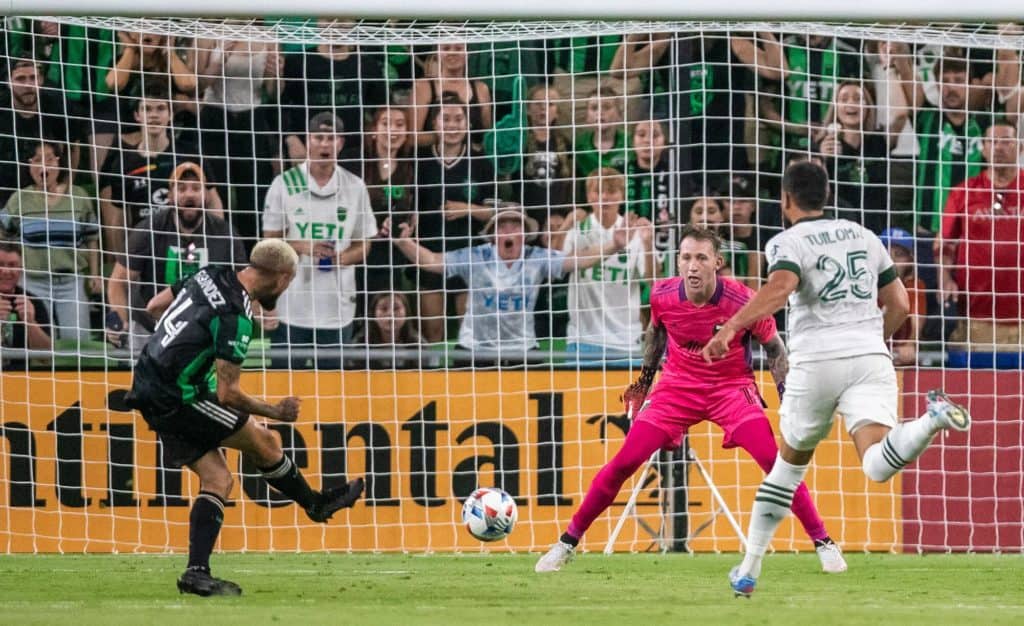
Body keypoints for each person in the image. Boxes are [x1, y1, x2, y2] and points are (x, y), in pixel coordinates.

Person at [703, 161, 971, 598]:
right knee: (877, 463)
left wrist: (731, 327)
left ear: (785, 200)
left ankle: (749, 570)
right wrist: (875, 339)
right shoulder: (863, 235)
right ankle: (931, 420)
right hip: (868, 356)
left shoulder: (786, 241)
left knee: (786, 470)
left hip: (816, 361)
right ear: (825, 196)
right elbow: (899, 302)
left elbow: (782, 284)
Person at [535, 225, 845, 574]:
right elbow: (655, 334)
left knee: (775, 462)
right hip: (677, 386)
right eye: (686, 258)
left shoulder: (743, 300)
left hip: (731, 388)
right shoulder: (663, 295)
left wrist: (788, 399)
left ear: (717, 263)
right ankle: (566, 542)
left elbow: (774, 348)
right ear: (678, 262)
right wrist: (644, 382)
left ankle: (823, 542)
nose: (693, 266)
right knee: (625, 461)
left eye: (701, 258)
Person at [123, 239, 365, 596]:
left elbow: (155, 306)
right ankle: (314, 504)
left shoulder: (209, 273)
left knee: (218, 479)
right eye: (289, 282)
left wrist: (182, 345)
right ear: (282, 278)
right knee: (265, 439)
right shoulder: (236, 316)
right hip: (176, 395)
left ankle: (196, 572)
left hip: (147, 380)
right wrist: (277, 411)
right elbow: (228, 394)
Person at [389, 209, 629, 360]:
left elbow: (578, 259)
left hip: (522, 350)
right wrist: (403, 243)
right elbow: (432, 261)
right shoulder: (477, 256)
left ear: (524, 234)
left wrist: (614, 246)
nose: (509, 231)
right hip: (474, 349)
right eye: (503, 226)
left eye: (515, 226)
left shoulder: (535, 257)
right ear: (493, 235)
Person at [262, 112, 377, 368]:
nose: (324, 144)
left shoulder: (354, 186)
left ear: (341, 142)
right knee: (285, 391)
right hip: (290, 308)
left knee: (333, 391)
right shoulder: (284, 184)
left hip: (337, 310)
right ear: (308, 140)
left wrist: (341, 258)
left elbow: (364, 244)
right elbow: (268, 245)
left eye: (331, 138)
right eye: (318, 137)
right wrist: (304, 247)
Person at [106, 162, 244, 353]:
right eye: (181, 188)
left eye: (196, 188)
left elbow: (243, 283)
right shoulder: (149, 228)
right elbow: (118, 280)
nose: (189, 194)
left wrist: (262, 310)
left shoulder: (225, 234)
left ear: (207, 196)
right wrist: (120, 318)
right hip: (150, 328)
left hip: (203, 332)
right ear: (170, 196)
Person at [99, 83, 223, 258]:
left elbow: (213, 201)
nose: (154, 115)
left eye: (160, 109)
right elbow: (119, 218)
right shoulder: (124, 163)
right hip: (144, 250)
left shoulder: (189, 154)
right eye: (147, 109)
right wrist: (123, 259)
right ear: (137, 115)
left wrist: (215, 245)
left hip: (186, 249)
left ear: (170, 114)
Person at [412, 93, 495, 343]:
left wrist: (467, 208)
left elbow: (496, 214)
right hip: (430, 255)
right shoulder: (421, 163)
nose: (452, 125)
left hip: (469, 257)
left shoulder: (480, 163)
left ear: (468, 124)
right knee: (433, 333)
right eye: (445, 119)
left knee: (467, 332)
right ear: (434, 124)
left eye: (459, 118)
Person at [934, 122, 1024, 351]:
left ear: (1020, 148)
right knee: (980, 384)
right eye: (993, 141)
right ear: (983, 148)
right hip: (977, 315)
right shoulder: (963, 192)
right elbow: (944, 243)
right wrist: (944, 278)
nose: (999, 147)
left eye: (1006, 141)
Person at [1, 140, 100, 343]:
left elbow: (92, 238)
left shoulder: (79, 197)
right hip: (31, 281)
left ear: (59, 163)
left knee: (78, 341)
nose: (43, 166)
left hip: (70, 281)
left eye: (49, 159)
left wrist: (95, 275)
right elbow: (4, 237)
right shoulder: (19, 199)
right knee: (37, 340)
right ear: (29, 166)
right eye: (37, 160)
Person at [196, 37, 281, 249]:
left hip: (251, 119)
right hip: (215, 117)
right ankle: (218, 253)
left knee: (253, 196)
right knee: (217, 191)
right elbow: (197, 84)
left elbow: (274, 92)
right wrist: (216, 64)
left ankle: (252, 256)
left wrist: (276, 75)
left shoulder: (269, 37)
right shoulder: (207, 35)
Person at [561, 168, 654, 356]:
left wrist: (648, 244)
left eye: (611, 191)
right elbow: (558, 265)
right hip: (583, 341)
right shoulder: (577, 231)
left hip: (626, 342)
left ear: (622, 196)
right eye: (598, 191)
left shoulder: (636, 232)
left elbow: (653, 283)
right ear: (588, 197)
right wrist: (565, 225)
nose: (605, 197)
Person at [280, 21, 387, 164]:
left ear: (354, 23)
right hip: (305, 151)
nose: (336, 26)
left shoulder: (367, 65)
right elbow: (279, 106)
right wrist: (290, 139)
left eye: (343, 20)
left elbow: (380, 109)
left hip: (352, 153)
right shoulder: (297, 62)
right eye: (330, 19)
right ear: (319, 22)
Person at [812, 81, 902, 234]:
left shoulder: (880, 141)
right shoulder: (823, 145)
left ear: (868, 107)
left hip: (875, 229)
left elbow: (901, 115)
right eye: (844, 99)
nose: (851, 103)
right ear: (835, 107)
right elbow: (812, 194)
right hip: (837, 231)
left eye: (858, 98)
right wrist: (821, 160)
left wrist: (890, 68)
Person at [0, 57, 87, 205]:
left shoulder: (58, 106)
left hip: (49, 189)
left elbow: (73, 148)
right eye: (20, 79)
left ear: (41, 80)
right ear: (8, 82)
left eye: (33, 78)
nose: (28, 85)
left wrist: (65, 188)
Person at [409, 42, 493, 149]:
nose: (452, 53)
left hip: (472, 161)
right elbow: (412, 138)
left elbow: (487, 135)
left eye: (458, 48)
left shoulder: (481, 89)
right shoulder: (422, 87)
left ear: (468, 53)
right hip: (432, 162)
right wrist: (455, 136)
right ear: (437, 53)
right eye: (446, 48)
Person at [0, 239, 52, 368]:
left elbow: (46, 358)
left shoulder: (32, 302)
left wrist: (30, 322)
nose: (6, 271)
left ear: (21, 269)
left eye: (12, 265)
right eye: (0, 264)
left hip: (21, 379)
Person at [879, 227, 926, 366]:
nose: (892, 259)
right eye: (886, 253)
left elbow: (916, 320)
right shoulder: (866, 283)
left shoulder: (914, 285)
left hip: (899, 356)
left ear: (910, 260)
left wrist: (910, 344)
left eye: (899, 254)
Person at [352, 291, 423, 369]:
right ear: (373, 314)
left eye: (396, 308)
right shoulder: (359, 345)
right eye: (384, 308)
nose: (390, 314)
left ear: (407, 313)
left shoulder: (419, 344)